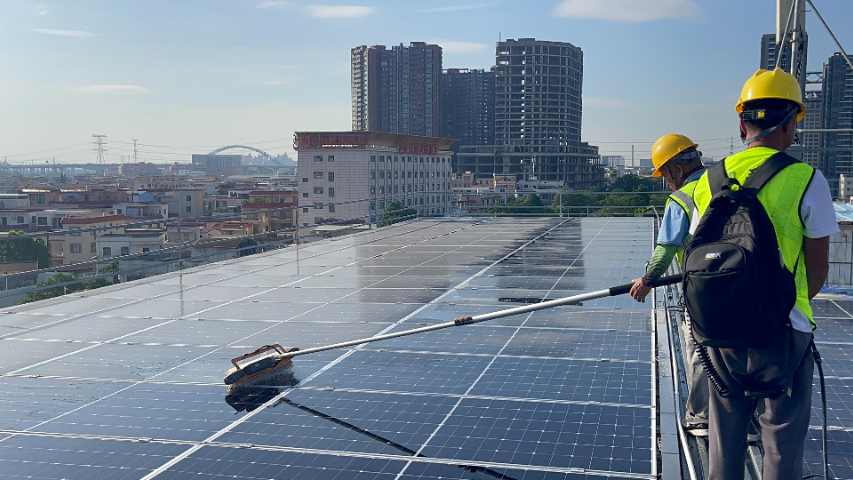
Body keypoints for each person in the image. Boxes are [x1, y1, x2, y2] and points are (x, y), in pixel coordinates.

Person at [691, 68, 838, 480]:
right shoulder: (807, 179)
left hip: (719, 328)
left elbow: (700, 255)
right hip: (784, 329)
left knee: (724, 435)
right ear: (791, 122)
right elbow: (818, 270)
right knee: (781, 439)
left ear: (743, 123)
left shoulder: (708, 180)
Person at [629, 133, 709, 436]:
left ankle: (701, 418)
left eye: (664, 173)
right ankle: (748, 423)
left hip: (705, 289)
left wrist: (648, 280)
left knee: (701, 351)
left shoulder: (684, 197)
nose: (666, 181)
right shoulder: (727, 182)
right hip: (747, 282)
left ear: (676, 168)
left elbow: (666, 248)